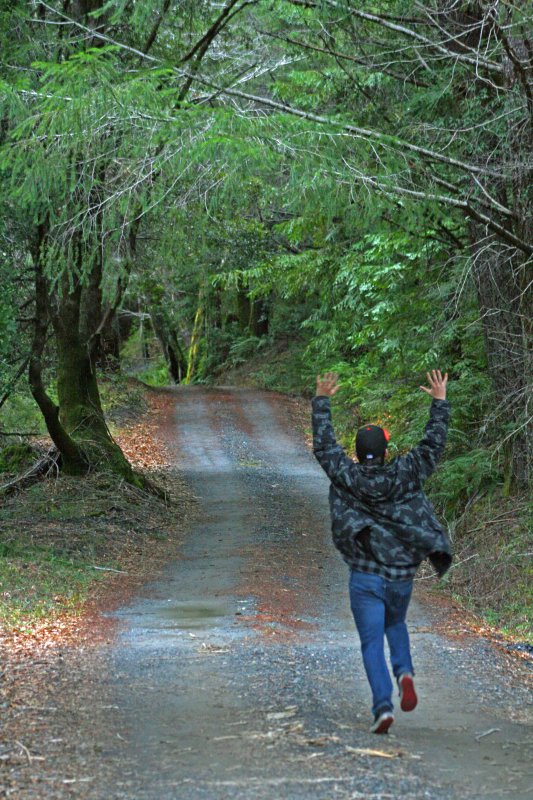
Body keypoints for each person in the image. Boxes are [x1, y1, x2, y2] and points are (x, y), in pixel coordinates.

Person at [312, 370, 453, 734]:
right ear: (387, 451)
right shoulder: (405, 473)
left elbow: (325, 447)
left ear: (357, 454)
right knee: (396, 622)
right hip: (401, 575)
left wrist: (322, 398)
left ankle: (383, 707)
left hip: (365, 576)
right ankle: (405, 671)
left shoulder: (347, 475)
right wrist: (439, 400)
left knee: (372, 641)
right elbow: (431, 446)